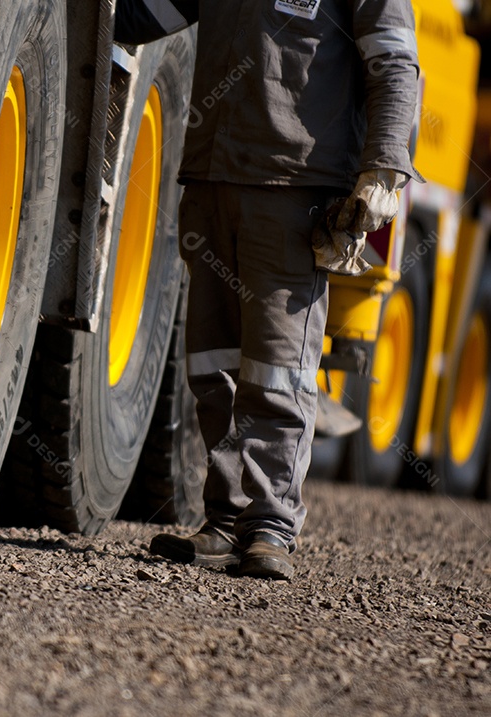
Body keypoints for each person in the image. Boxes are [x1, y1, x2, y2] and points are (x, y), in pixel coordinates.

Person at [115, 0, 421, 579]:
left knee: (279, 367)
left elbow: (396, 63)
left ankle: (270, 524)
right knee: (214, 366)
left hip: (295, 187)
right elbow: (149, 12)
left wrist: (384, 165)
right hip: (212, 177)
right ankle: (227, 520)